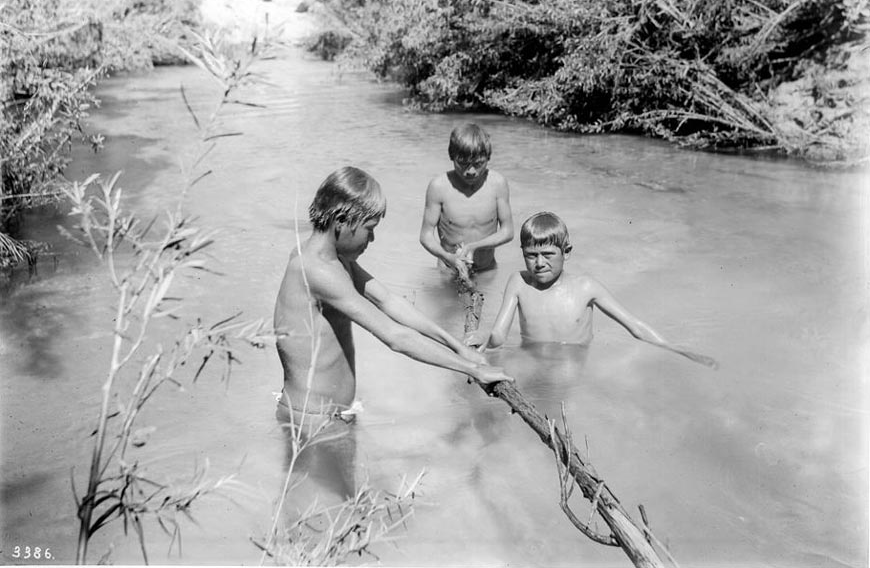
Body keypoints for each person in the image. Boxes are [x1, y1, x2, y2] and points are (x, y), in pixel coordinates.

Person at [274, 166, 513, 425]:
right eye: (369, 228)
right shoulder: (316, 270)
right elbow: (395, 336)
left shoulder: (336, 261)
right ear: (342, 222)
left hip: (328, 416)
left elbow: (388, 301)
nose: (373, 238)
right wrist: (473, 370)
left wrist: (458, 348)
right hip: (312, 422)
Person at [465, 211, 670, 351]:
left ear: (567, 252)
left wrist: (673, 349)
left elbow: (635, 327)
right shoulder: (518, 282)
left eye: (547, 254)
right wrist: (483, 339)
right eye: (531, 255)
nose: (539, 263)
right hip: (531, 363)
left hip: (573, 369)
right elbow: (499, 335)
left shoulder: (586, 287)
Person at [420, 123, 514, 284]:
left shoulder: (498, 183)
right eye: (463, 163)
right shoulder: (439, 186)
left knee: (488, 309)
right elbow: (426, 235)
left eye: (478, 164)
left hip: (487, 270)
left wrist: (474, 246)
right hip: (448, 270)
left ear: (488, 158)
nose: (471, 171)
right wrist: (447, 257)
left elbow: (508, 231)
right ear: (452, 156)